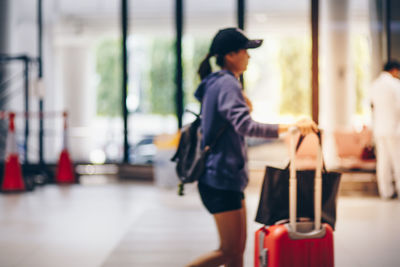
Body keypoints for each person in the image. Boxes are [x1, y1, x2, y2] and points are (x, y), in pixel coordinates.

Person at [187, 27, 318, 267]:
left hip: (223, 178)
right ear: (231, 55)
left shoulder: (218, 83)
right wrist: (292, 126)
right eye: (245, 51)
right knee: (228, 252)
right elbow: (246, 127)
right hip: (221, 180)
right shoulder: (226, 84)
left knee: (236, 253)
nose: (249, 57)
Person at [370, 60, 400, 200]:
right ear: (394, 70)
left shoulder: (374, 85)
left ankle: (386, 192)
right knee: (397, 160)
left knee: (383, 161)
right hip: (394, 129)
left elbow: (372, 106)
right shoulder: (395, 85)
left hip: (379, 129)